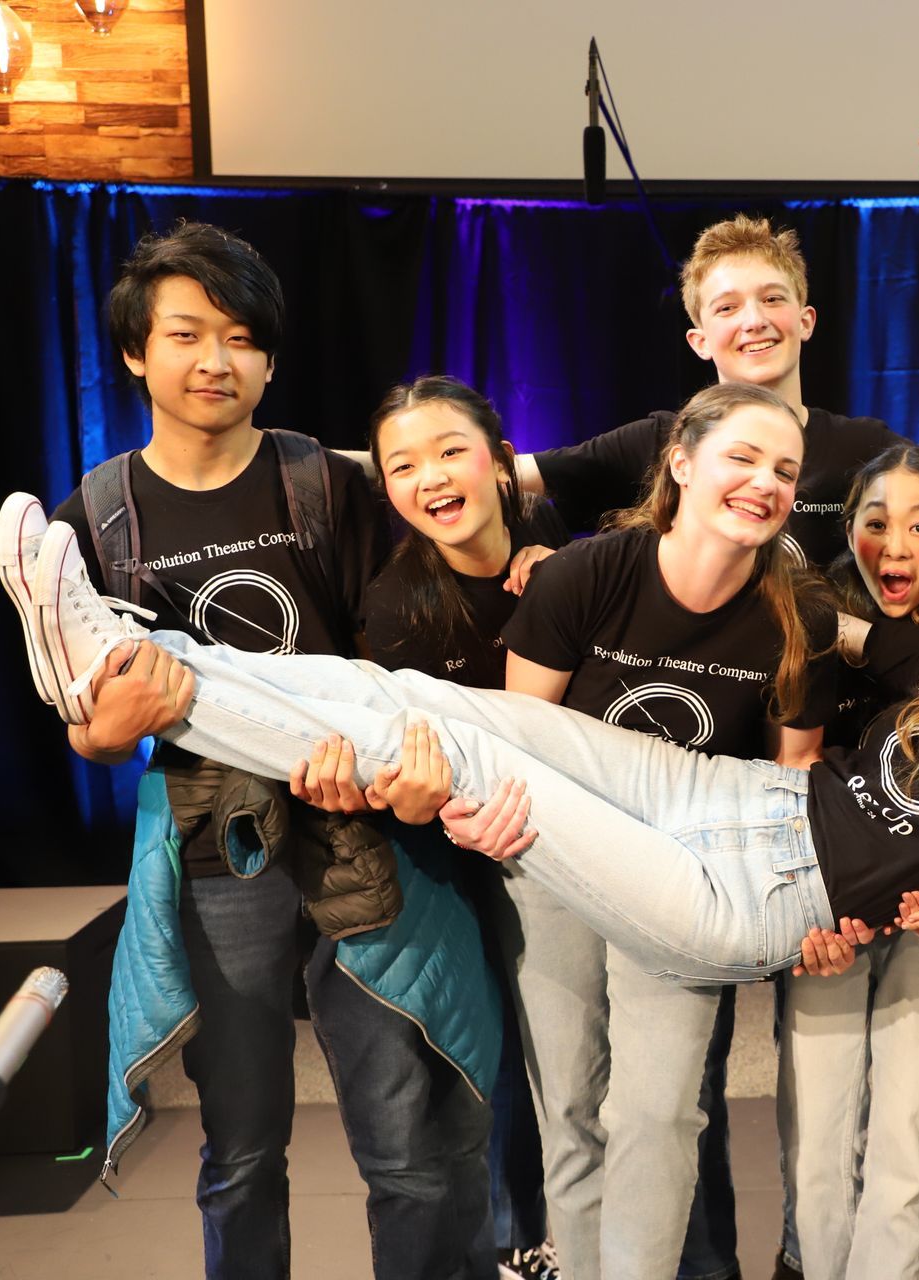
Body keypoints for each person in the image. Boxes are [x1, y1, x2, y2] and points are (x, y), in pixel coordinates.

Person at [1, 521, 919, 1000]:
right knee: (428, 698)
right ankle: (125, 644)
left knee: (450, 758)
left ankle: (160, 687)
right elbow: (828, 624)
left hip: (753, 896)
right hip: (741, 795)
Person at [0, 222, 496, 1280]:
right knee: (241, 1146)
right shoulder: (98, 511)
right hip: (219, 845)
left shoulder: (325, 482)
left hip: (364, 829)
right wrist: (109, 728)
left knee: (406, 1146)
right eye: (186, 334)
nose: (214, 360)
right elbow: (88, 731)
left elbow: (395, 659)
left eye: (240, 337)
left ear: (269, 357)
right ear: (137, 351)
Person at [488, 380, 839, 1280]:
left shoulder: (801, 613)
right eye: (743, 458)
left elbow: (790, 780)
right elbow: (519, 741)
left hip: (685, 880)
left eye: (786, 470)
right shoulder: (586, 573)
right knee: (567, 1102)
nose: (766, 482)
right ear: (680, 464)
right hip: (555, 851)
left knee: (657, 1111)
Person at [343, 375, 568, 1280]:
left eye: (449, 451)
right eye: (402, 465)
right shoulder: (395, 608)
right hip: (459, 854)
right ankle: (522, 1242)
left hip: (572, 845)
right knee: (503, 1053)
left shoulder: (571, 567)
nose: (429, 477)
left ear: (504, 464)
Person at [513, 214, 919, 568]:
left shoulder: (863, 446)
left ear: (805, 320)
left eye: (772, 300)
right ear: (700, 339)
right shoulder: (661, 438)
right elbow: (499, 475)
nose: (753, 320)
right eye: (728, 307)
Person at [776, 445, 919, 1280]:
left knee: (912, 1127)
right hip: (827, 908)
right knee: (819, 1131)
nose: (895, 545)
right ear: (847, 528)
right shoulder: (804, 613)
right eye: (875, 523)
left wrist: (865, 637)